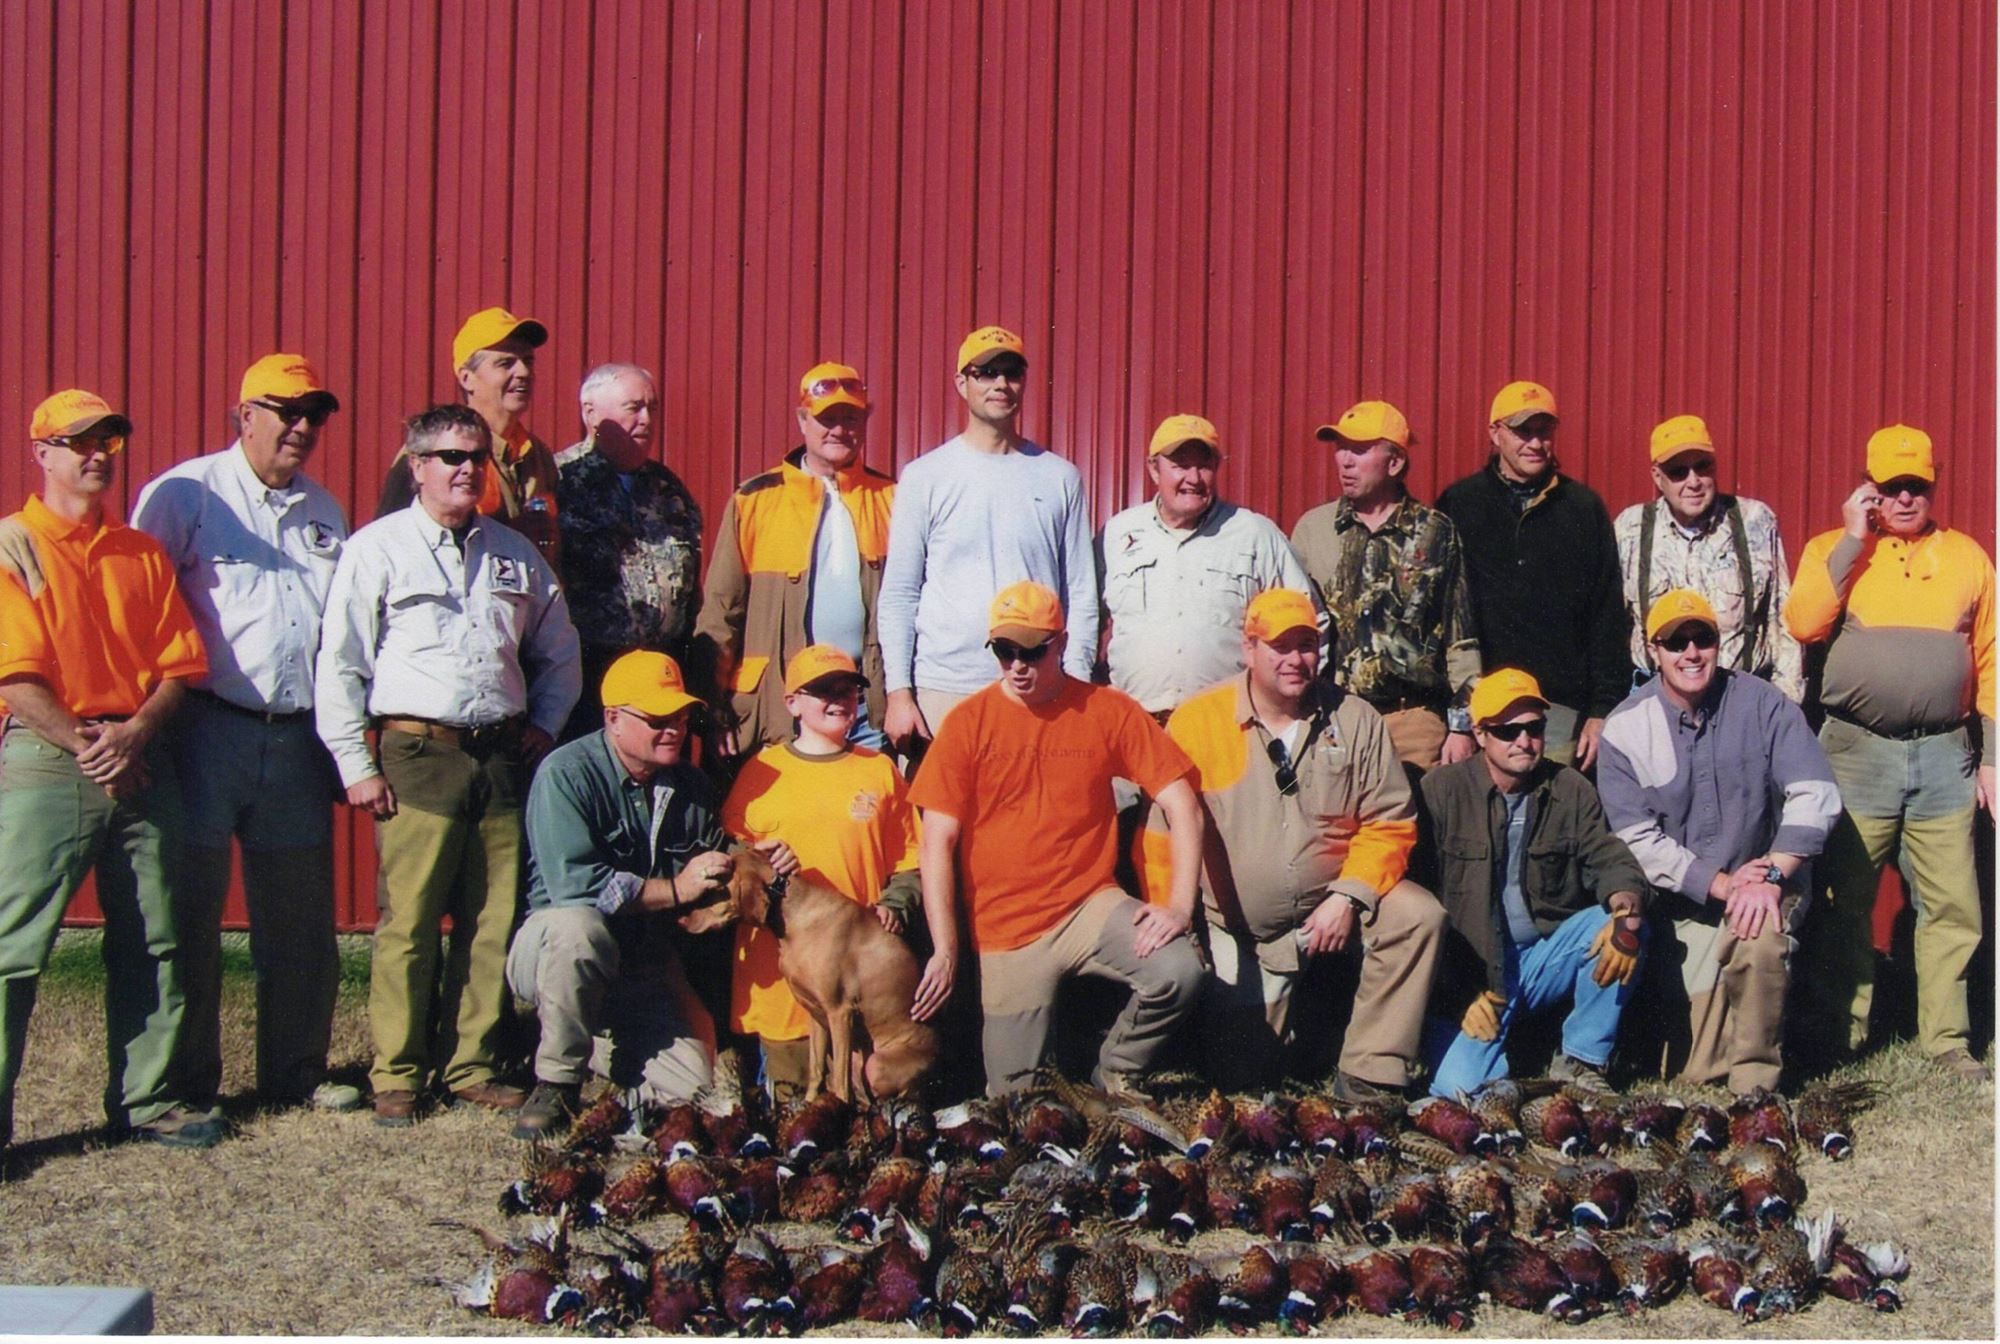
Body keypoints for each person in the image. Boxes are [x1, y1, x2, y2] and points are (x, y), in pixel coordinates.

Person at [317, 404, 581, 1127]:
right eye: (448, 456)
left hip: (498, 755)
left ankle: (472, 1064)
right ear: (415, 465)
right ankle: (397, 1074)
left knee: (491, 918)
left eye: (474, 456)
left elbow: (559, 649)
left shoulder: (513, 554)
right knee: (408, 924)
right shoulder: (378, 549)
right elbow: (339, 661)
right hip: (416, 754)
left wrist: (546, 723)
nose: (465, 468)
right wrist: (355, 763)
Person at [131, 354, 358, 1115]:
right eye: (285, 410)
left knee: (299, 922)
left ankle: (294, 1074)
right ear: (243, 416)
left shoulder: (326, 512)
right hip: (202, 729)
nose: (301, 427)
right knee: (189, 915)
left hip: (296, 739)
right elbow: (140, 610)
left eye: (314, 415)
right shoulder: (185, 494)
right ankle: (191, 1083)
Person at [0, 390, 221, 1151]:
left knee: (154, 934)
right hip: (46, 757)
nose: (96, 455)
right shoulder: (13, 548)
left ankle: (147, 1099)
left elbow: (178, 665)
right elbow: (16, 678)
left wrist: (133, 735)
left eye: (108, 443)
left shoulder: (139, 552)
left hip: (137, 751)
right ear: (43, 452)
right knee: (13, 945)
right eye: (79, 441)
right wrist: (91, 745)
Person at [1140, 588, 1445, 1101]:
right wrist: (1173, 918)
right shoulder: (1199, 721)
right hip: (1238, 929)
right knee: (1243, 1077)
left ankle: (1370, 1075)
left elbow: (1390, 821)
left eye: (1306, 645)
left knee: (1419, 915)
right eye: (1279, 646)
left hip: (1333, 908)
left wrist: (1349, 895)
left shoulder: (1356, 719)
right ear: (1249, 649)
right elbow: (1161, 836)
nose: (1295, 660)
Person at [907, 581, 1206, 1095]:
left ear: (1062, 644)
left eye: (1033, 651)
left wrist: (1179, 906)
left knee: (1179, 970)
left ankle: (1115, 1073)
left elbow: (1182, 800)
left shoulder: (1105, 709)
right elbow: (936, 841)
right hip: (1005, 930)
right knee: (1013, 1099)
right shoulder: (967, 725)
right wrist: (946, 948)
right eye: (1005, 652)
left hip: (1089, 904)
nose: (1018, 665)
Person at [1785, 425, 1995, 1079]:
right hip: (1856, 751)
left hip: (1943, 754)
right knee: (1843, 898)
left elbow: (1992, 659)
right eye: (1892, 487)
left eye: (1917, 486)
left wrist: (1991, 758)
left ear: (1932, 487)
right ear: (1870, 489)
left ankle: (1946, 1040)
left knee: (1952, 904)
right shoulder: (1836, 548)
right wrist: (1854, 538)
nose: (1905, 498)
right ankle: (1839, 1034)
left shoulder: (1968, 557)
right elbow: (1803, 622)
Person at [1597, 590, 1839, 1096]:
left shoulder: (1765, 703)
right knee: (1690, 1068)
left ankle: (1756, 1088)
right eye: (1675, 642)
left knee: (1759, 934)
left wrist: (1772, 874)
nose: (1691, 652)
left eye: (1702, 638)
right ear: (1653, 652)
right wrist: (1722, 884)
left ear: (1718, 644)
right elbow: (1635, 839)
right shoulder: (1625, 728)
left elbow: (1816, 794)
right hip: (1687, 900)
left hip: (1766, 883)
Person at [507, 651, 746, 1139]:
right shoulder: (566, 774)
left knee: (690, 1092)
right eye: (657, 719)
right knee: (580, 930)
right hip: (555, 946)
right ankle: (557, 1080)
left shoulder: (690, 784)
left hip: (643, 963)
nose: (674, 729)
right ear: (613, 719)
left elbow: (714, 859)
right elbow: (579, 887)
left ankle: (591, 1036)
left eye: (680, 716)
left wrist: (757, 858)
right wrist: (678, 888)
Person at [1419, 668, 1651, 1097]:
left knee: (1622, 925)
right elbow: (1416, 910)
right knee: (1462, 1091)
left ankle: (1582, 1061)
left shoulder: (1570, 788)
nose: (1523, 741)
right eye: (1507, 731)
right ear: (1480, 733)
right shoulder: (1440, 791)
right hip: (1472, 975)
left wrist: (1626, 910)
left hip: (1544, 957)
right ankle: (1497, 1054)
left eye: (1534, 728)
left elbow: (1608, 856)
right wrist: (1454, 996)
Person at [722, 645, 943, 1094]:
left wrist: (896, 902)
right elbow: (729, 855)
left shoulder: (879, 770)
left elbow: (910, 860)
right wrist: (757, 854)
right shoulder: (761, 771)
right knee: (794, 1113)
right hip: (783, 992)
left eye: (848, 690)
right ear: (792, 704)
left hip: (860, 996)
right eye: (823, 691)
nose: (839, 700)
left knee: (863, 1108)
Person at [879, 327, 1098, 749]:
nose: (1000, 383)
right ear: (962, 383)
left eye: (1011, 372)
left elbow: (1081, 594)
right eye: (986, 372)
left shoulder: (1060, 477)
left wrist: (1077, 682)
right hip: (945, 689)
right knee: (942, 817)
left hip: (1037, 689)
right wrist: (900, 693)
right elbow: (899, 595)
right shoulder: (925, 477)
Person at [690, 362, 897, 758]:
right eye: (827, 418)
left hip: (865, 710)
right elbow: (720, 613)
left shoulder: (893, 499)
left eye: (851, 417)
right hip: (778, 709)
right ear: (803, 420)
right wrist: (712, 705)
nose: (839, 429)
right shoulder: (754, 500)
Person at [1437, 381, 1628, 769]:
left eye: (1544, 431)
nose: (1536, 443)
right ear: (1495, 433)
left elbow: (1606, 615)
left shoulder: (1583, 508)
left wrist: (1602, 709)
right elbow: (1441, 616)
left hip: (1558, 707)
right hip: (1480, 706)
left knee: (1551, 817)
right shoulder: (1460, 504)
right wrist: (1457, 717)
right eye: (1523, 431)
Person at [1291, 400, 1482, 770]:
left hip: (1412, 724)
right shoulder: (1313, 530)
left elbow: (1461, 636)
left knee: (1411, 825)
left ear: (1394, 463)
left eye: (1359, 450)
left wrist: (1462, 728)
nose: (1344, 460)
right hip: (1333, 718)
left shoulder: (1435, 531)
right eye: (1340, 448)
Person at [1097, 415, 1317, 719]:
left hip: (1223, 725)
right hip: (1135, 723)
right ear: (1153, 469)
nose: (1193, 478)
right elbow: (1084, 617)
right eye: (1180, 465)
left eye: (1204, 465)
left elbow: (1309, 619)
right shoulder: (1116, 533)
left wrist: (1283, 710)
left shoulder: (1256, 534)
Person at [554, 362, 703, 739]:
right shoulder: (560, 482)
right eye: (633, 407)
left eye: (652, 407)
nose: (646, 419)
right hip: (588, 674)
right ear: (591, 414)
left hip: (660, 673)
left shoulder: (667, 488)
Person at [1614, 414, 1803, 702]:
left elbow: (1782, 619)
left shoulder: (1755, 520)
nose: (1693, 482)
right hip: (1655, 699)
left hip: (1742, 698)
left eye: (1702, 467)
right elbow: (1613, 624)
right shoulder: (1631, 528)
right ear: (1657, 476)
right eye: (1678, 471)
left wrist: (1784, 706)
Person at [376, 306, 561, 568]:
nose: (523, 372)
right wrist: (512, 539)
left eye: (528, 361)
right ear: (466, 378)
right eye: (505, 363)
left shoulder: (538, 456)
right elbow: (391, 545)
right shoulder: (431, 453)